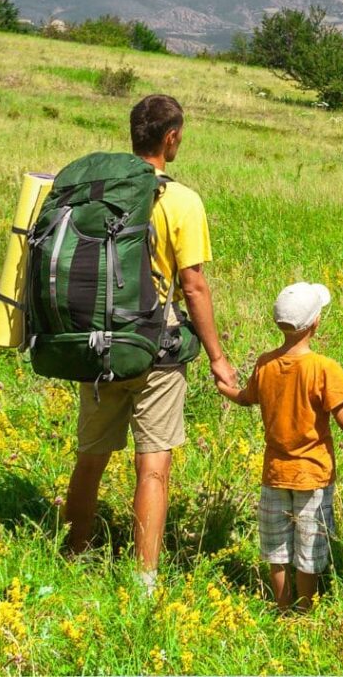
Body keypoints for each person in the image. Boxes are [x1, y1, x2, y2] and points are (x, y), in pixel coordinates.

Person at [63, 95, 237, 594]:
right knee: (153, 466)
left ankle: (72, 554)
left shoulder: (99, 192)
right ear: (171, 137)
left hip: (97, 342)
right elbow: (194, 286)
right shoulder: (182, 201)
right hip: (156, 349)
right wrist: (218, 358)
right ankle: (143, 581)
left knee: (90, 457)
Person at [216, 282, 343, 612]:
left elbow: (245, 398)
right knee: (308, 551)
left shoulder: (265, 364)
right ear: (315, 323)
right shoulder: (323, 368)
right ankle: (304, 612)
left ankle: (282, 608)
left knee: (277, 551)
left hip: (274, 474)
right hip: (313, 476)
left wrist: (224, 388)